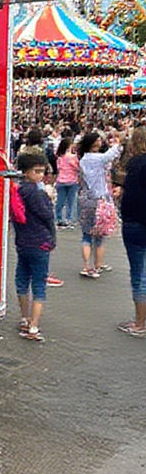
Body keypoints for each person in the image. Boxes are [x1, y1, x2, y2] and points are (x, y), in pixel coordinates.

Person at [13, 152, 56, 343]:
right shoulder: (38, 194)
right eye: (37, 171)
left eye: (42, 171)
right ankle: (34, 326)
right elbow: (47, 216)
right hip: (40, 243)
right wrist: (49, 199)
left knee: (22, 280)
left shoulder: (18, 191)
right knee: (39, 285)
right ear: (26, 172)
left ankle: (24, 318)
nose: (40, 175)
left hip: (22, 242)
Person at [77, 130, 123, 279]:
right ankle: (97, 264)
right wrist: (117, 141)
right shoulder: (98, 158)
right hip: (101, 198)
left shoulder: (83, 160)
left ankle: (88, 265)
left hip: (86, 198)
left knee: (87, 234)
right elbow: (113, 153)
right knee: (100, 234)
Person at [118, 125, 146, 336]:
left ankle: (139, 323)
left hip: (136, 222)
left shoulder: (136, 164)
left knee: (139, 274)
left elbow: (131, 196)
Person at [55, 133, 80, 227]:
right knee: (71, 202)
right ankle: (69, 219)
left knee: (60, 201)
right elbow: (77, 168)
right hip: (72, 181)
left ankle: (59, 218)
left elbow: (58, 168)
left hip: (61, 180)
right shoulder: (73, 157)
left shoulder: (59, 157)